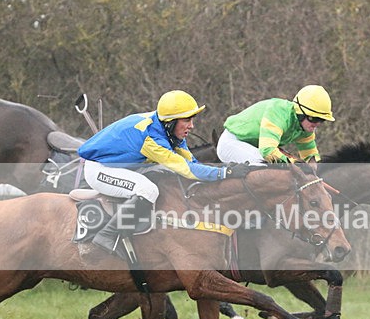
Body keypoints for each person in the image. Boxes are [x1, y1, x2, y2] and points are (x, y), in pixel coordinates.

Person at [78, 90, 250, 254]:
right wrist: (225, 173)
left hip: (121, 166)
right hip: (99, 169)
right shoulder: (152, 139)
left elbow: (191, 163)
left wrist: (221, 171)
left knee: (167, 175)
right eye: (187, 120)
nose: (192, 125)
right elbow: (188, 170)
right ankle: (107, 234)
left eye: (192, 119)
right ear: (171, 122)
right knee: (148, 190)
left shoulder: (169, 129)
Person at [216, 85, 335, 164]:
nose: (317, 124)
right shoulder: (278, 112)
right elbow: (267, 151)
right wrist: (294, 164)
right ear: (300, 113)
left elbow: (311, 157)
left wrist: (320, 172)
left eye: (321, 120)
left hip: (256, 149)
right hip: (232, 143)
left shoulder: (304, 128)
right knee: (266, 168)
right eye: (313, 118)